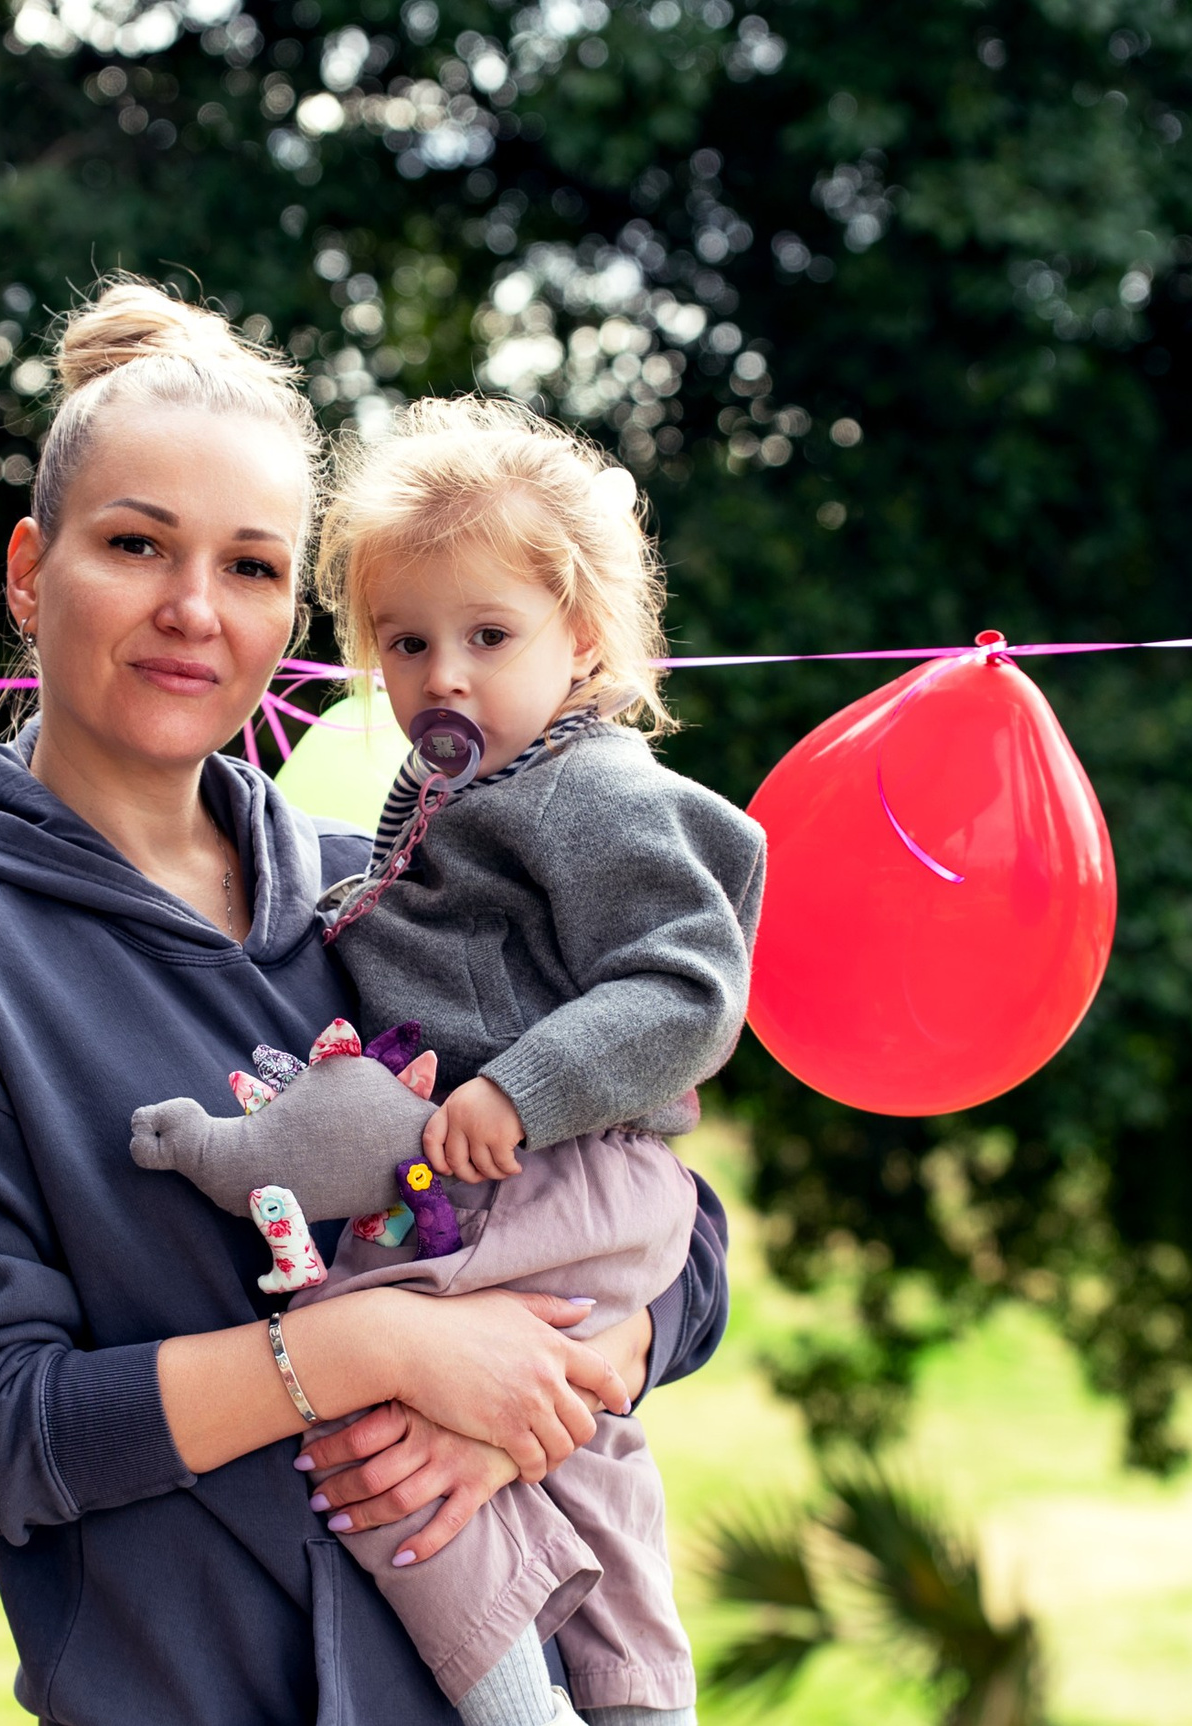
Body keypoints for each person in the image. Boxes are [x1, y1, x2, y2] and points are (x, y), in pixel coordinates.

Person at [0, 281, 733, 1726]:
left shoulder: (379, 889)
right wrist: (360, 1352)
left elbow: (673, 1226)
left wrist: (557, 1383)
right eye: (135, 546)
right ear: (31, 570)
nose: (193, 609)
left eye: (248, 567)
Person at [288, 397, 764, 1726]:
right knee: (583, 1451)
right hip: (543, 1180)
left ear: (585, 640)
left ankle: (523, 1708)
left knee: (359, 1409)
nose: (444, 674)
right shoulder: (458, 791)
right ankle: (636, 1701)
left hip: (547, 1168)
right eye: (406, 640)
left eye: (488, 636)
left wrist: (521, 1086)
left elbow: (689, 985)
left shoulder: (585, 787)